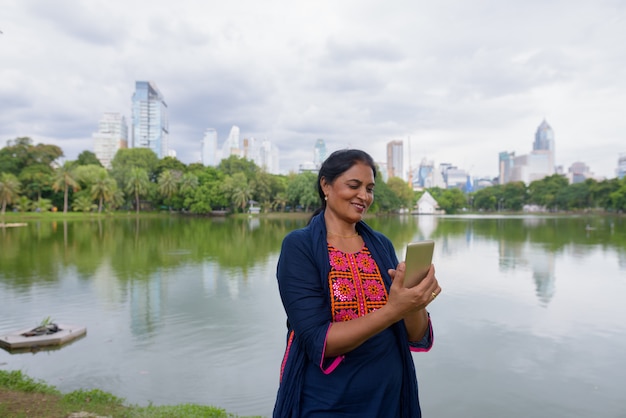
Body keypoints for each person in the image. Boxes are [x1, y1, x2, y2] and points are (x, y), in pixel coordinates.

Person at [273, 149, 441, 418]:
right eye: (354, 185)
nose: (364, 196)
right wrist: (393, 310)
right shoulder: (300, 246)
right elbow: (320, 341)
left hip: (389, 397)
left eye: (370, 188)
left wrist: (415, 301)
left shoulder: (381, 245)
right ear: (325, 185)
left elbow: (414, 334)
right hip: (327, 401)